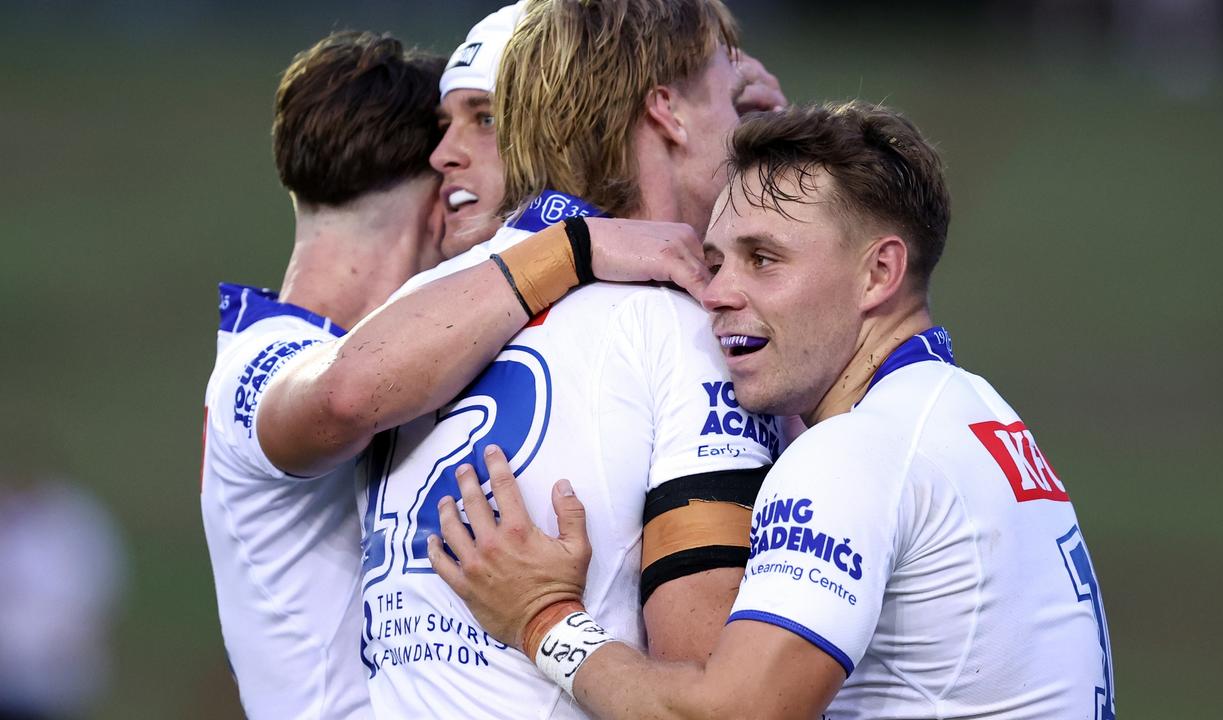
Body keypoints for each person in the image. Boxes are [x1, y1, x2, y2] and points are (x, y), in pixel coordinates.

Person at [431, 101, 1116, 719]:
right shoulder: (971, 413)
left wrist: (542, 617)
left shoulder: (852, 453)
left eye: (763, 259)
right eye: (715, 260)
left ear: (879, 273)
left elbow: (734, 717)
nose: (718, 293)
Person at [257, 1, 790, 717]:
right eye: (733, 100)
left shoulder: (425, 308)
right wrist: (545, 621)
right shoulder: (684, 329)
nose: (756, 133)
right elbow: (710, 694)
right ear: (666, 112)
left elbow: (310, 414)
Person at [199, 31, 447, 719]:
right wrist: (560, 251)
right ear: (441, 197)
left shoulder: (407, 359)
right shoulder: (259, 358)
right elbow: (342, 398)